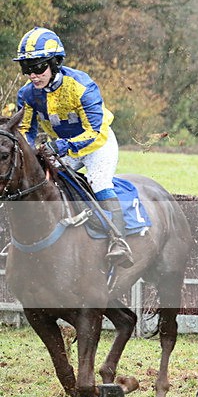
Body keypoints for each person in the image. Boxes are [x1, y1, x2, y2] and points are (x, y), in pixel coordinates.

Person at [14, 26, 134, 267]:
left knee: (99, 182)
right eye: (27, 69)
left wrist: (64, 146)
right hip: (61, 147)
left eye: (38, 67)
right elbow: (26, 131)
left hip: (97, 144)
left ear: (55, 63)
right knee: (43, 182)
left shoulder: (82, 86)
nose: (33, 75)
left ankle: (119, 241)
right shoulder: (27, 94)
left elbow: (95, 131)